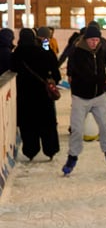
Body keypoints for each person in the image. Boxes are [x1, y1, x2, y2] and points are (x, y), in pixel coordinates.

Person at [62, 23, 106, 175]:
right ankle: (72, 157)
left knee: (105, 126)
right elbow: (84, 75)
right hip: (80, 96)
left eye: (96, 40)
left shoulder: (102, 48)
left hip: (99, 95)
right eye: (91, 40)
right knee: (77, 129)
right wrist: (105, 81)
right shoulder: (78, 51)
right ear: (85, 39)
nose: (94, 42)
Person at [11, 28, 61, 160]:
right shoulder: (43, 51)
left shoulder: (17, 53)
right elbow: (54, 66)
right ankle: (50, 150)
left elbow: (12, 69)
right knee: (47, 123)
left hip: (25, 96)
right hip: (43, 95)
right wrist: (45, 43)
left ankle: (30, 151)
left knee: (28, 124)